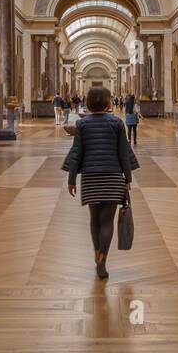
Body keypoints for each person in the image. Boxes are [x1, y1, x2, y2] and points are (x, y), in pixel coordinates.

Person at [63, 86, 137, 279]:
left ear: (88, 102)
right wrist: (128, 179)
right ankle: (102, 259)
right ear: (107, 102)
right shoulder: (116, 123)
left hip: (90, 177)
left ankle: (98, 255)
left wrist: (71, 179)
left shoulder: (83, 125)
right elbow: (124, 153)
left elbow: (76, 154)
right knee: (107, 221)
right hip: (113, 177)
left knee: (94, 220)